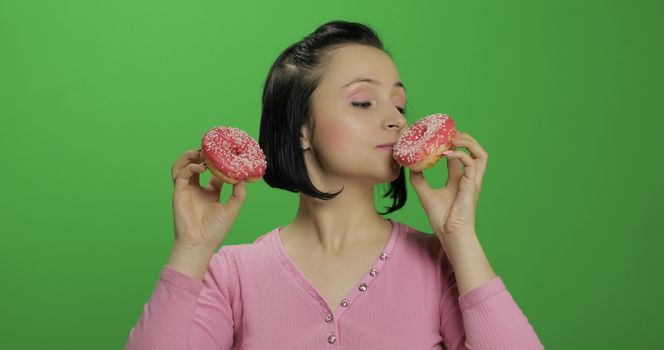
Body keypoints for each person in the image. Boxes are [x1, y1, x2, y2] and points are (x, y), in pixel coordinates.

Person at [124, 20, 544, 349]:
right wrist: (191, 251)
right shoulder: (233, 275)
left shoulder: (438, 264)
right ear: (302, 128)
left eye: (399, 103)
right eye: (363, 102)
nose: (397, 119)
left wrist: (460, 237)